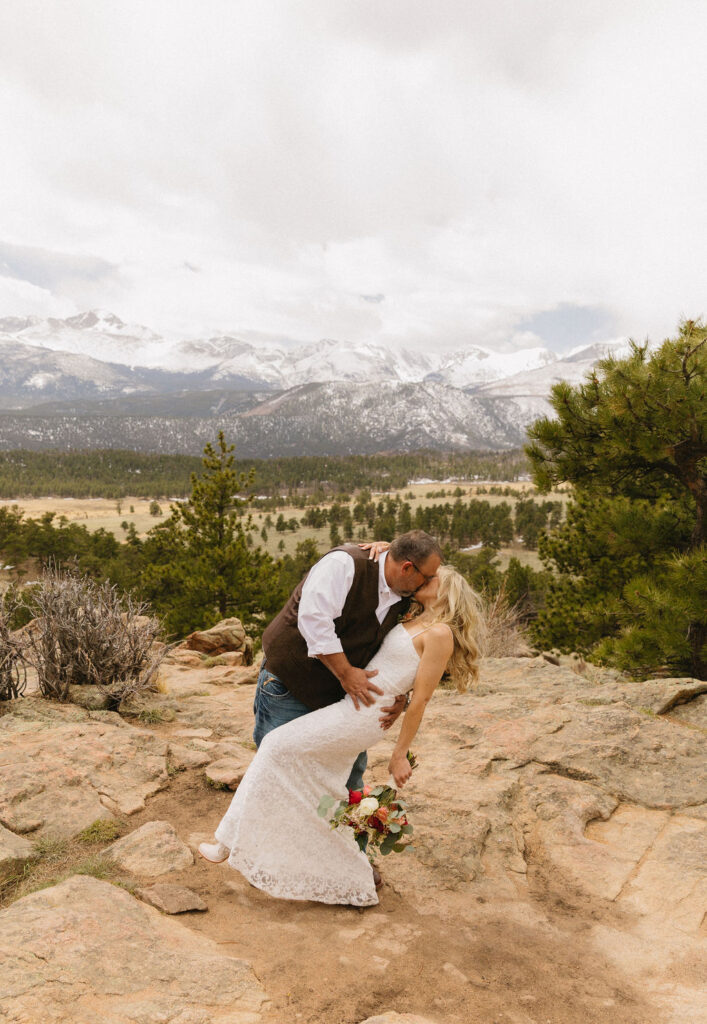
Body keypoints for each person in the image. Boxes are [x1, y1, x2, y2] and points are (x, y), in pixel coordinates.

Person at [198, 565, 484, 907]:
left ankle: (228, 844)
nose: (424, 580)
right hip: (355, 705)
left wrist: (399, 754)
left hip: (364, 716)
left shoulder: (440, 634)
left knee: (275, 747)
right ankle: (343, 872)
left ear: (446, 591)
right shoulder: (413, 617)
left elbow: (422, 697)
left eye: (433, 579)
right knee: (319, 783)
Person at [252, 530, 443, 794]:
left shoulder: (409, 593)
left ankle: (340, 834)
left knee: (346, 784)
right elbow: (315, 621)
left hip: (345, 701)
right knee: (278, 767)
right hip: (292, 684)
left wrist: (400, 695)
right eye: (429, 576)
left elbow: (403, 652)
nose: (431, 582)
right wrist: (345, 673)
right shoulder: (344, 564)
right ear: (407, 567)